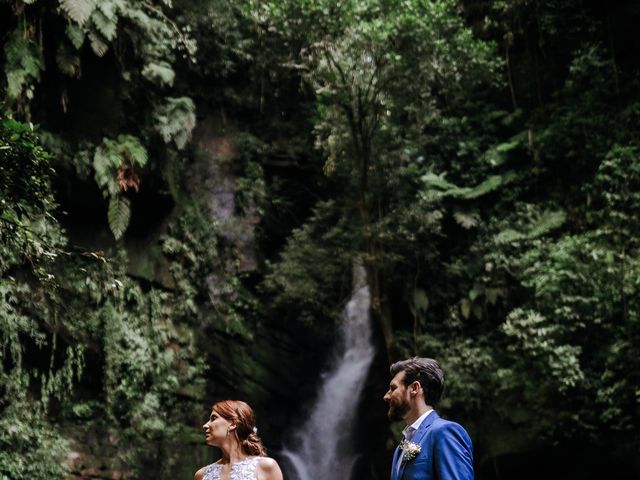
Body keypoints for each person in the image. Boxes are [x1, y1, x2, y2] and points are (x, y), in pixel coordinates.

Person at [383, 357, 474, 480]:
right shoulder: (401, 448)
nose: (386, 396)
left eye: (393, 388)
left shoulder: (444, 432)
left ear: (414, 388)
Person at [195, 400, 283, 480]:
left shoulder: (266, 467)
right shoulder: (201, 475)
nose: (205, 425)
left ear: (233, 424)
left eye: (214, 418)